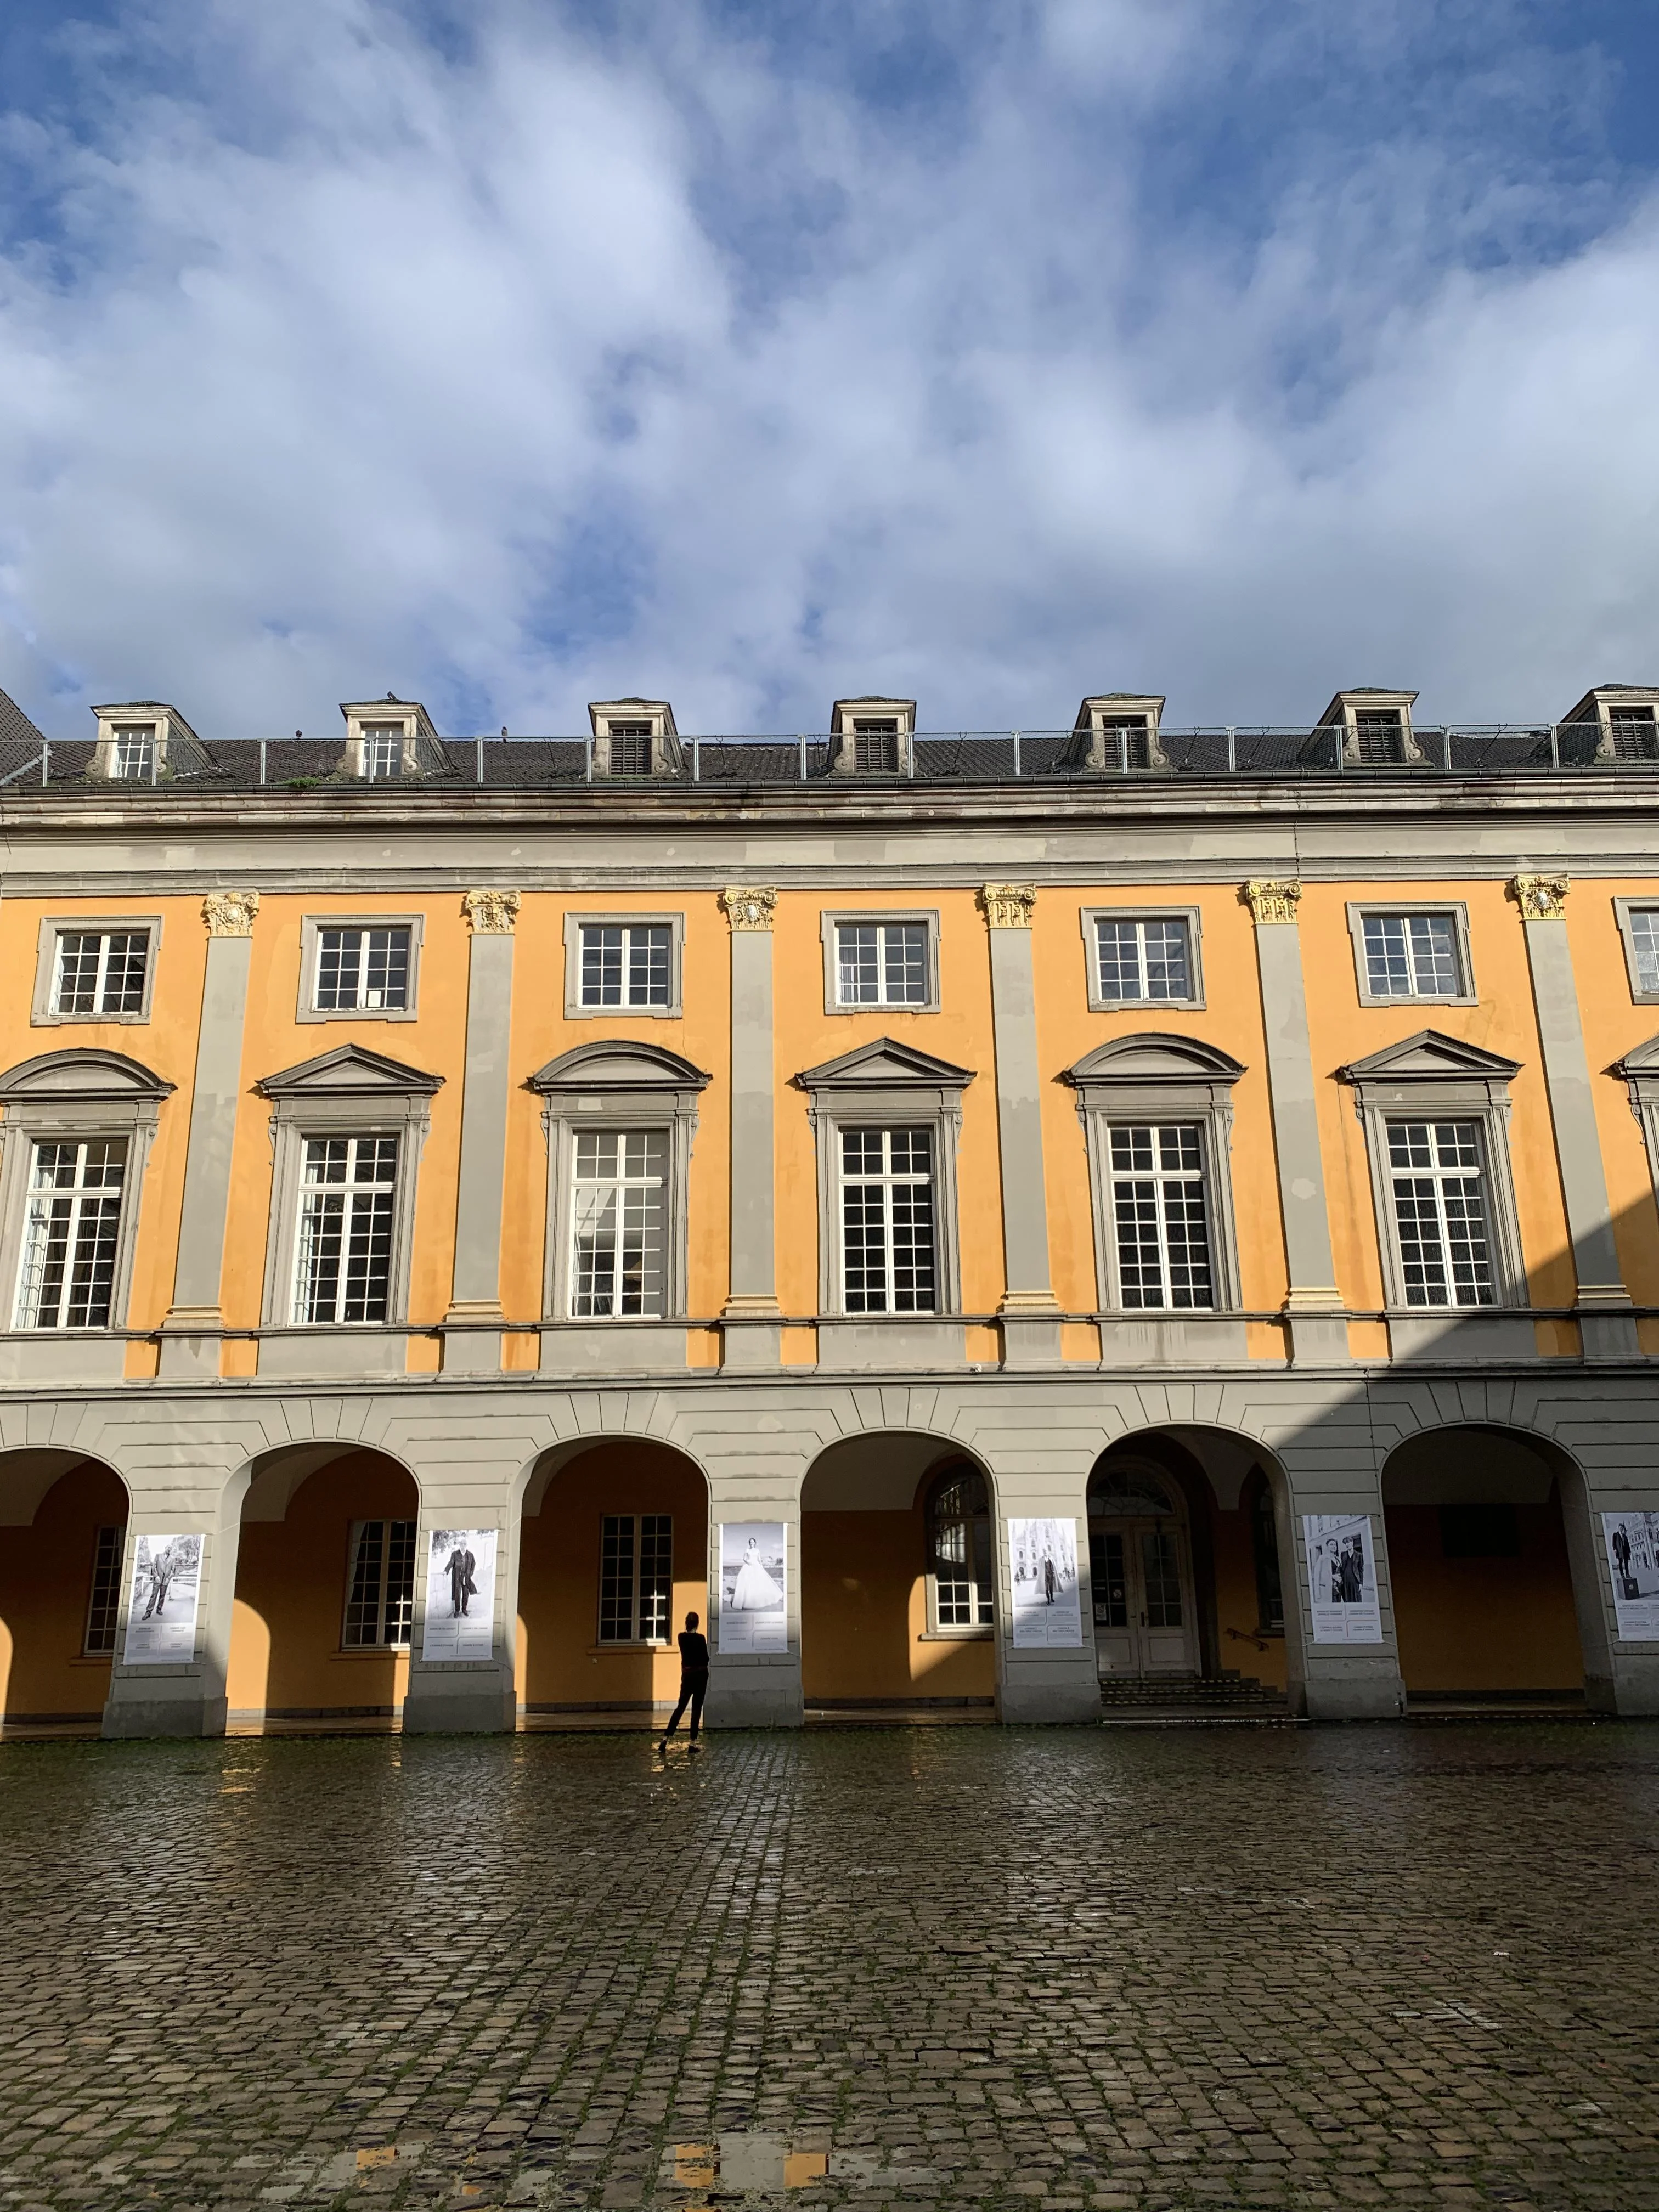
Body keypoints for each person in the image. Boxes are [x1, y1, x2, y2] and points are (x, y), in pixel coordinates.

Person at [660, 1611, 710, 1750]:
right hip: (700, 1675)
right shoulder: (701, 1638)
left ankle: (666, 1738)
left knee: (681, 1707)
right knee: (696, 1709)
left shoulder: (681, 1637)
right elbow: (706, 1658)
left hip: (687, 1675)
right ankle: (692, 1743)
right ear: (698, 1624)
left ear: (686, 1623)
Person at [729, 1537, 783, 1611]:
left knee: (758, 1581)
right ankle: (747, 1600)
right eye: (751, 1542)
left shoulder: (757, 1550)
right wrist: (748, 1562)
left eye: (753, 1542)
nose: (752, 1543)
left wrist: (762, 1567)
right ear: (749, 1543)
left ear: (755, 1543)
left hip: (757, 1566)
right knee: (748, 1582)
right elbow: (744, 1558)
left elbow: (759, 1559)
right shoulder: (747, 1550)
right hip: (749, 1566)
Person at [446, 1542, 477, 1617]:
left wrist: (470, 1574)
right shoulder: (455, 1554)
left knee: (466, 1594)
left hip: (466, 1577)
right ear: (460, 1545)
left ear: (467, 1545)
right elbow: (451, 1563)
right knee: (457, 1594)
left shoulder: (470, 1555)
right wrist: (446, 1571)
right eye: (462, 1544)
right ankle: (457, 1611)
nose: (463, 1545)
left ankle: (464, 1610)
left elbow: (473, 1564)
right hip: (457, 1577)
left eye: (465, 1544)